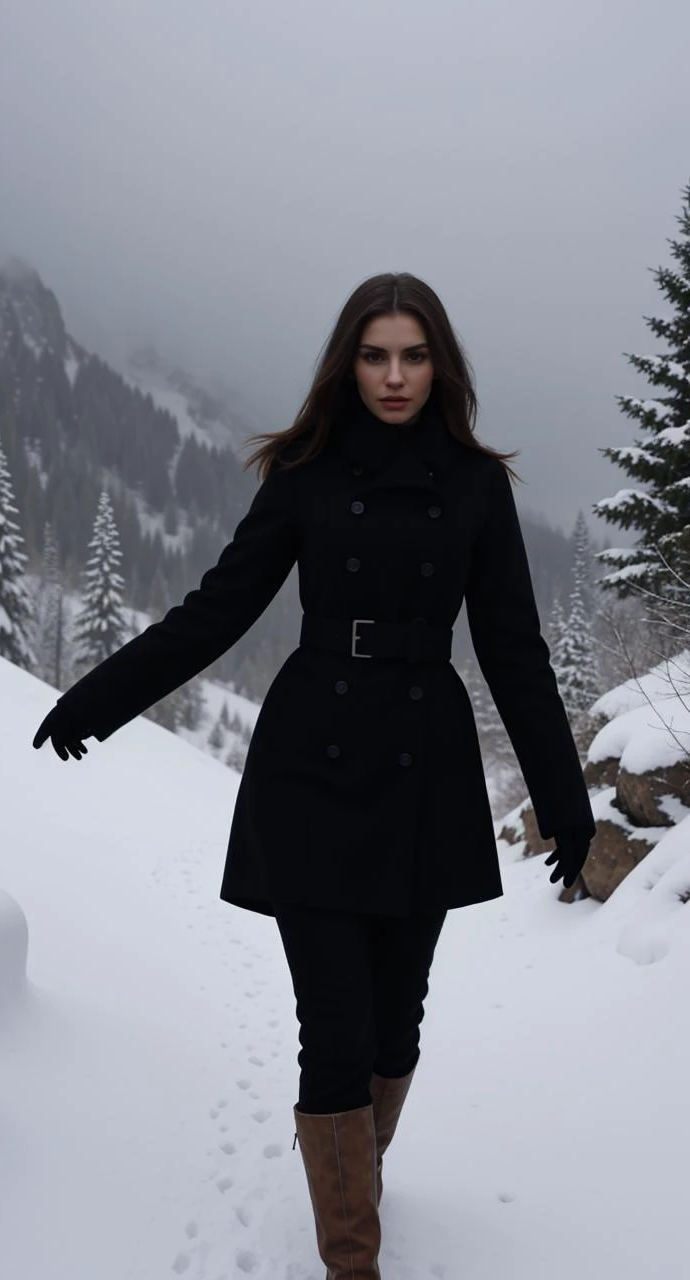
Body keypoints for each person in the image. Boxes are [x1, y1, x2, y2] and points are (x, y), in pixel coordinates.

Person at [33, 272, 596, 1279]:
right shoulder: (302, 472)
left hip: (424, 770)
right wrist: (96, 700)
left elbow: (513, 649)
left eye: (412, 355)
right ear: (347, 361)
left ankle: (353, 1173)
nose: (392, 375)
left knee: (395, 1016)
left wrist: (564, 803)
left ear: (439, 365)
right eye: (374, 354)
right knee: (333, 1028)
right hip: (312, 768)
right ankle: (351, 1257)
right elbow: (216, 609)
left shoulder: (474, 485)